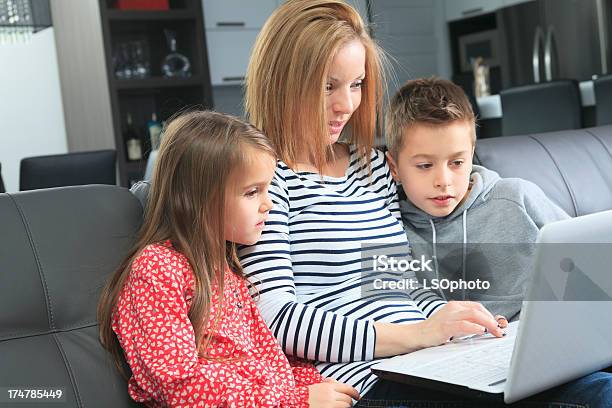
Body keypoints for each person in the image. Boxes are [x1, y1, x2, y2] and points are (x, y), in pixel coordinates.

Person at [239, 0, 506, 400]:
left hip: (431, 358)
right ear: (283, 81)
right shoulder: (266, 182)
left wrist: (454, 320)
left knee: (589, 385)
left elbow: (402, 281)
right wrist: (418, 334)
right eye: (328, 85)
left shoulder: (373, 168)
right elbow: (276, 319)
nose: (346, 104)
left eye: (356, 84)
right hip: (372, 380)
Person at [97, 111, 360, 407]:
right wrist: (297, 400)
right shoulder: (156, 269)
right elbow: (181, 387)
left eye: (268, 188)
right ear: (198, 198)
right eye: (252, 192)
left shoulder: (225, 270)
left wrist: (315, 385)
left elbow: (267, 356)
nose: (268, 204)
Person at [384, 77, 570, 321]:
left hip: (538, 332)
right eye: (425, 165)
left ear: (471, 155)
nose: (443, 180)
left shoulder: (516, 198)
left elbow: (591, 260)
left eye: (457, 163)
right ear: (394, 168)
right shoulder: (388, 228)